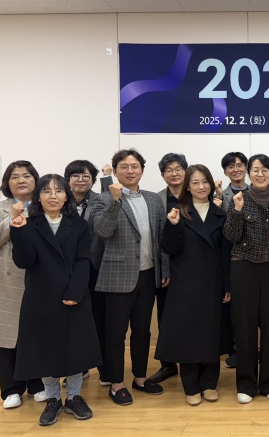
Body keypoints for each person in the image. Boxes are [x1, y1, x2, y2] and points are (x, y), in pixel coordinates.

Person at [10, 174, 101, 426]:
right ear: (37, 197)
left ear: (66, 196)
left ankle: (74, 397)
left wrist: (75, 292)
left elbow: (83, 261)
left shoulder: (78, 225)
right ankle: (52, 399)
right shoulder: (28, 223)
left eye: (59, 191)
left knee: (75, 349)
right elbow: (24, 261)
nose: (53, 196)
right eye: (46, 191)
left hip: (73, 295)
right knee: (44, 350)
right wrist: (17, 230)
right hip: (40, 298)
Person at [92, 149, 169, 405]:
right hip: (117, 277)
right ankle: (116, 384)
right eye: (124, 166)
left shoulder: (153, 199)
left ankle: (140, 377)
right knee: (115, 334)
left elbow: (161, 238)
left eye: (135, 166)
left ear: (142, 171)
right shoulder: (103, 199)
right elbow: (102, 231)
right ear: (115, 171)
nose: (130, 171)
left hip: (148, 275)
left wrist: (164, 270)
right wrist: (115, 202)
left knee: (142, 332)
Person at [155, 165, 230, 406]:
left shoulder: (220, 214)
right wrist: (172, 226)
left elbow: (226, 253)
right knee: (188, 336)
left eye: (205, 181)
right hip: (185, 285)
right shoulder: (178, 213)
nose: (201, 186)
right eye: (195, 182)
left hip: (213, 283)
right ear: (187, 186)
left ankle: (209, 383)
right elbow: (169, 248)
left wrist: (227, 285)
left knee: (211, 333)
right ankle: (191, 386)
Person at [0, 161, 46, 409]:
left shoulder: (43, 206)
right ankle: (11, 389)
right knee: (7, 335)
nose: (21, 180)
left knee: (36, 333)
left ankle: (37, 384)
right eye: (15, 176)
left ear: (35, 180)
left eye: (27, 175)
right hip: (4, 279)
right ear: (7, 183)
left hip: (37, 278)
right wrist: (11, 218)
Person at [224, 154, 269, 404]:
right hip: (243, 268)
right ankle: (246, 383)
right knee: (245, 327)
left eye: (265, 170)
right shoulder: (239, 199)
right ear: (249, 173)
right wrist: (237, 211)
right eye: (255, 170)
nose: (260, 174)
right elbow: (231, 236)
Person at [64, 159, 112, 386]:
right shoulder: (60, 201)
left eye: (86, 176)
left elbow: (113, 206)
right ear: (68, 179)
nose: (81, 180)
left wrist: (107, 178)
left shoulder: (100, 200)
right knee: (73, 322)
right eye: (76, 175)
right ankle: (78, 369)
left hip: (96, 267)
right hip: (68, 271)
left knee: (99, 321)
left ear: (93, 180)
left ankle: (105, 369)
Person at [150, 152, 189, 385]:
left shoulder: (196, 195)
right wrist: (165, 270)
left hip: (192, 269)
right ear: (163, 175)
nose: (174, 174)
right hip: (166, 270)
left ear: (186, 171)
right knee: (166, 317)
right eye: (168, 170)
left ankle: (191, 361)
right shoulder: (157, 200)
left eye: (178, 169)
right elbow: (158, 238)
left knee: (190, 316)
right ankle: (168, 364)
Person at [215, 151, 248, 369]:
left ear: (246, 168)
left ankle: (252, 347)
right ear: (225, 171)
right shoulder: (219, 197)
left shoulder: (257, 192)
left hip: (254, 256)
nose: (235, 169)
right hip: (230, 256)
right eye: (230, 166)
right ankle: (236, 349)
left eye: (239, 165)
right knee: (233, 306)